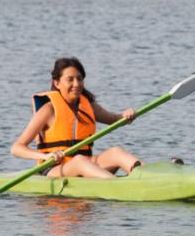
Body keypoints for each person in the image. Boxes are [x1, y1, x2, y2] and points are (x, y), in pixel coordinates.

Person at [10, 57, 142, 178]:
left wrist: (126, 115)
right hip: (53, 169)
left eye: (79, 79)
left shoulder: (89, 106)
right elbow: (17, 148)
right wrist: (45, 156)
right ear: (57, 83)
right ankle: (117, 185)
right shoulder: (48, 110)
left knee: (115, 152)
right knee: (79, 161)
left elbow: (114, 119)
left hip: (86, 164)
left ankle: (147, 176)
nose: (77, 84)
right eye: (70, 79)